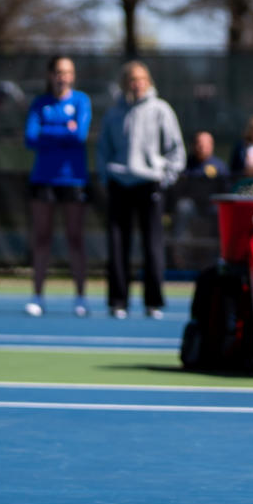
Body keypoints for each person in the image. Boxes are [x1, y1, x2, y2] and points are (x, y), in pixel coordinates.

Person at [96, 60, 184, 319]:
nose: (137, 84)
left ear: (149, 81)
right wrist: (107, 176)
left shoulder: (161, 110)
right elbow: (103, 150)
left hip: (150, 186)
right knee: (117, 245)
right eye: (132, 79)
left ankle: (153, 302)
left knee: (153, 246)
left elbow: (175, 150)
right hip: (120, 185)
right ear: (125, 83)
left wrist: (163, 176)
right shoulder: (114, 113)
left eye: (142, 78)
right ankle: (118, 301)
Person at [24, 55, 92, 318]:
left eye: (68, 72)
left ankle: (80, 297)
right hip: (43, 179)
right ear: (50, 75)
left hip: (73, 179)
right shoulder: (40, 103)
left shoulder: (81, 101)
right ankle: (37, 296)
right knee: (41, 238)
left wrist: (49, 131)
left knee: (75, 238)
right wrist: (64, 128)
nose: (63, 76)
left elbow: (80, 135)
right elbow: (31, 137)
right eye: (58, 72)